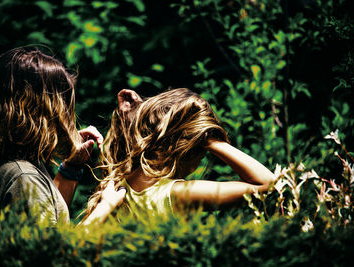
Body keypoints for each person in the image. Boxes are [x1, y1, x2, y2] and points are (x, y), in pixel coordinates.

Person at [0, 46, 125, 225]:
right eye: (65, 108)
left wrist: (72, 167)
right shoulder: (23, 178)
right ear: (48, 112)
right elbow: (55, 252)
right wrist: (105, 207)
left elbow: (50, 218)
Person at [81, 88, 275, 221]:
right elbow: (267, 184)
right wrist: (212, 141)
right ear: (189, 147)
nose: (200, 161)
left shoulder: (117, 181)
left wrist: (139, 113)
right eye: (202, 154)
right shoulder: (178, 194)